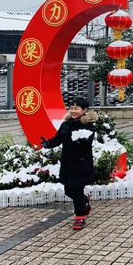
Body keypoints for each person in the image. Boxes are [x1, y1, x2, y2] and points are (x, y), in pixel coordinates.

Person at [41, 97, 97, 230]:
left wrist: (81, 141)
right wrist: (48, 143)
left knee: (76, 190)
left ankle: (80, 217)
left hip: (81, 164)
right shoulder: (66, 124)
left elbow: (88, 144)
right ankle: (84, 201)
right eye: (71, 108)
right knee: (68, 191)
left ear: (84, 110)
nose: (73, 111)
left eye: (76, 108)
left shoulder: (88, 126)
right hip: (67, 163)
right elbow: (58, 138)